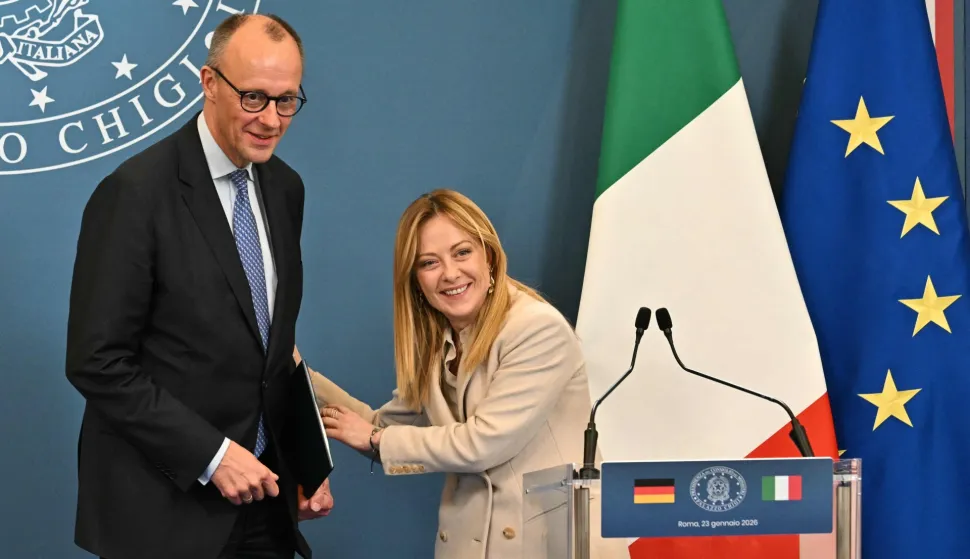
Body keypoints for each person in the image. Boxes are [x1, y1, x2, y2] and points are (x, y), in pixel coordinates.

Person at [65, 13, 331, 559]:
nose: (272, 120)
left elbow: (272, 349)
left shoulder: (285, 189)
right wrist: (213, 455)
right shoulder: (135, 194)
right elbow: (97, 360)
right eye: (254, 97)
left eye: (287, 100)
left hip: (265, 500)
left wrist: (305, 460)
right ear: (209, 83)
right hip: (162, 512)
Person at [294, 189, 629, 559]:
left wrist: (375, 439)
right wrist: (291, 368)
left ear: (489, 254)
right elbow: (380, 425)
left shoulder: (536, 328)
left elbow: (483, 444)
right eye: (429, 262)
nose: (450, 273)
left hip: (555, 545)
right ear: (415, 279)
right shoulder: (441, 339)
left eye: (462, 252)